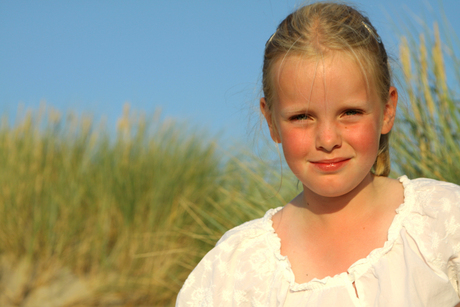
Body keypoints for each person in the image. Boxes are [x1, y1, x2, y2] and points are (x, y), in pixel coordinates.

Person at [176, 2, 460, 306]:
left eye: (350, 112)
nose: (327, 139)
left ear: (387, 110)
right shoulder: (235, 269)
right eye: (301, 117)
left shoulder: (444, 222)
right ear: (271, 121)